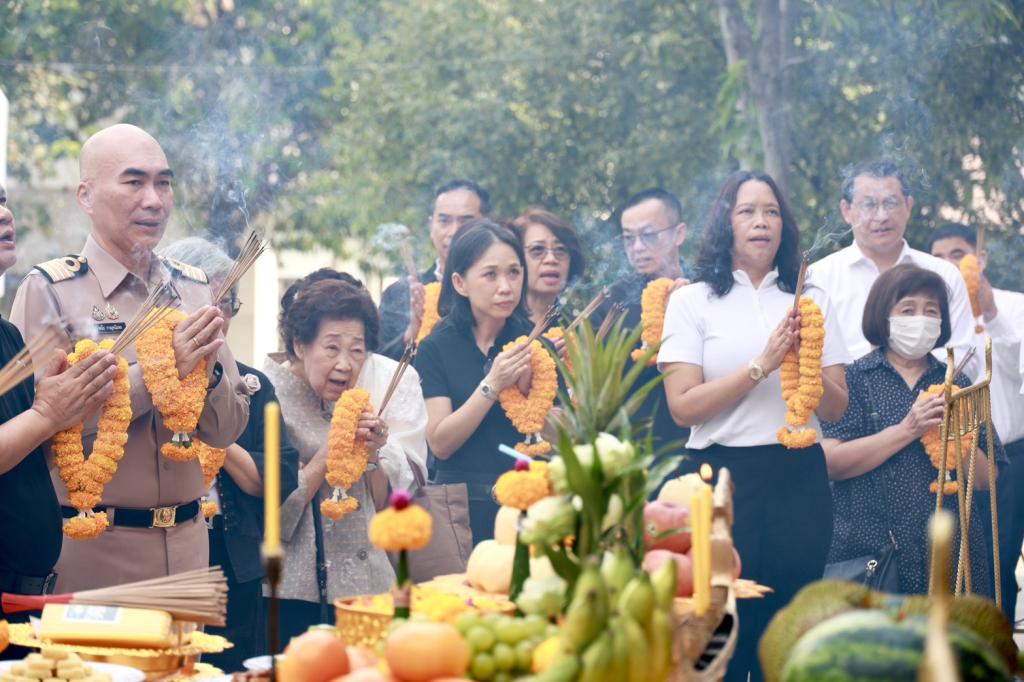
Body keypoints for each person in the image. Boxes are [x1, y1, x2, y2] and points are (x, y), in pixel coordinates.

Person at [10, 124, 250, 593]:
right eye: (134, 182)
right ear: (86, 195)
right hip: (94, 549)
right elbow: (35, 439)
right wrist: (162, 370)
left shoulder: (193, 287)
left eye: (164, 183)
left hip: (188, 546)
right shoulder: (50, 291)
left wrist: (208, 372)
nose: (154, 200)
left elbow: (226, 430)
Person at [659, 171, 849, 682]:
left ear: (784, 225)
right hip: (721, 478)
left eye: (771, 212)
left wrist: (804, 360)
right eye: (747, 211)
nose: (761, 222)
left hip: (798, 475)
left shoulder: (810, 297)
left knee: (788, 627)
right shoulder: (693, 299)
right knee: (722, 622)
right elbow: (683, 407)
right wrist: (763, 364)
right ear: (726, 223)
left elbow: (836, 409)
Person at [158, 237, 300, 669]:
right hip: (157, 553)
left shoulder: (251, 386)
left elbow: (277, 478)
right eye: (207, 301)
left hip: (231, 559)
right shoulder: (145, 381)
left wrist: (217, 427)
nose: (218, 316)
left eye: (227, 303)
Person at [821, 264, 1000, 599]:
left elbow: (986, 478)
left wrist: (955, 437)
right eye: (907, 310)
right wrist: (908, 429)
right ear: (882, 316)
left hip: (950, 554)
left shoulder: (958, 383)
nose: (921, 319)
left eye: (931, 311)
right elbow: (831, 463)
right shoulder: (853, 379)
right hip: (874, 553)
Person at [263, 277, 425, 642]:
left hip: (368, 587)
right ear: (299, 345)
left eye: (357, 351)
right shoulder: (268, 399)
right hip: (298, 596)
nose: (345, 364)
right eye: (332, 348)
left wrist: (372, 453)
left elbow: (379, 505)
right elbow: (273, 514)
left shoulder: (349, 400)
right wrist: (331, 451)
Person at [0, 183, 119, 653]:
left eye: (3, 201)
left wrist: (68, 411)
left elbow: (24, 459)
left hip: (25, 596)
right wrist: (47, 413)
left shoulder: (7, 335)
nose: (4, 215)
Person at [414, 219, 536, 542]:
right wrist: (492, 385)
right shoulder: (435, 348)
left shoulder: (533, 342)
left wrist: (529, 394)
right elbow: (440, 443)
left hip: (526, 504)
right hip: (459, 512)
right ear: (460, 283)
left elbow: (560, 435)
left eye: (514, 272)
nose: (506, 286)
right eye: (490, 274)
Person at [928, 223, 1024, 618]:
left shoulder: (1015, 305)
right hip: (948, 455)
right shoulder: (931, 314)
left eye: (958, 254)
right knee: (959, 563)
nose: (948, 265)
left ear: (980, 258)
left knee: (1000, 559)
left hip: (1010, 455)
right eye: (938, 258)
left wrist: (992, 314)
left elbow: (1017, 372)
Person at [809, 161, 981, 379]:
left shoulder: (943, 274)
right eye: (869, 205)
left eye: (890, 203)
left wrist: (917, 382)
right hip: (847, 398)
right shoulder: (819, 278)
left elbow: (965, 355)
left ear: (908, 206)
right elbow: (812, 360)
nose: (882, 216)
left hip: (933, 396)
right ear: (846, 210)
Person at [596, 188, 690, 455]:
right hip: (633, 447)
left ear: (679, 233)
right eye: (628, 238)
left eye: (648, 235)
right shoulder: (612, 302)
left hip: (700, 442)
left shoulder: (703, 290)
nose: (637, 247)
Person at [377, 179, 490, 359]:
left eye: (465, 221)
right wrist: (411, 334)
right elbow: (377, 362)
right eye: (444, 221)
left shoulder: (499, 291)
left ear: (486, 225)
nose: (454, 231)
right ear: (431, 226)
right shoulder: (400, 293)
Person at [510, 209, 586, 325]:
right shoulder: (497, 325)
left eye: (560, 249)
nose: (551, 259)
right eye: (537, 249)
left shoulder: (577, 329)